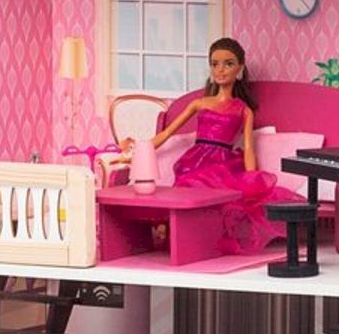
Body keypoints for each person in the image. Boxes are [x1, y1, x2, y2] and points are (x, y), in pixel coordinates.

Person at [125, 37, 301, 253]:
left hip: (223, 163)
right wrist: (139, 151)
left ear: (240, 68)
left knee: (219, 195)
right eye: (215, 64)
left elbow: (249, 147)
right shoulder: (200, 103)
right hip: (195, 159)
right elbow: (168, 132)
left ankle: (198, 236)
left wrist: (251, 177)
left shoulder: (243, 110)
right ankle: (173, 231)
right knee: (187, 184)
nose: (220, 70)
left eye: (228, 64)